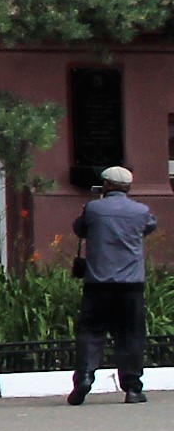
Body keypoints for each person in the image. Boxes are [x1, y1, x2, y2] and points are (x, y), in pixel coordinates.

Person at [74, 165, 158, 407]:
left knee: (90, 332)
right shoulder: (141, 211)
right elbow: (149, 227)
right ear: (128, 187)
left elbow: (79, 229)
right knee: (131, 335)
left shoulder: (93, 208)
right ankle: (132, 388)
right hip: (131, 285)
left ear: (106, 185)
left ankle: (85, 377)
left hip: (97, 284)